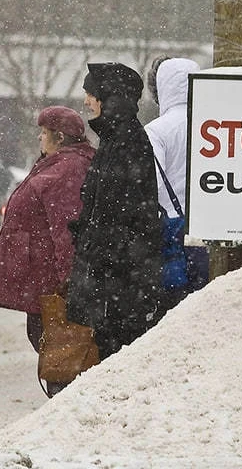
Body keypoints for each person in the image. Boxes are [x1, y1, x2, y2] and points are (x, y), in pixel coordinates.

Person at [0, 106, 95, 396]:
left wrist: (68, 279)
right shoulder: (59, 164)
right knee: (49, 339)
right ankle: (63, 398)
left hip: (53, 280)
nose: (40, 139)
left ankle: (66, 401)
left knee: (58, 345)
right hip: (44, 276)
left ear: (60, 137)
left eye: (43, 133)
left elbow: (66, 229)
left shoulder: (67, 169)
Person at [66, 62, 163, 360]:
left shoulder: (127, 142)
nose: (86, 101)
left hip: (120, 283)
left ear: (109, 97)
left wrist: (98, 261)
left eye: (91, 93)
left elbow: (120, 214)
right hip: (113, 279)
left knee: (114, 353)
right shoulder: (114, 138)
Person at [144, 56, 209, 304]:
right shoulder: (214, 125)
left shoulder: (156, 130)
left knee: (174, 303)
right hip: (207, 227)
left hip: (172, 227)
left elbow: (154, 185)